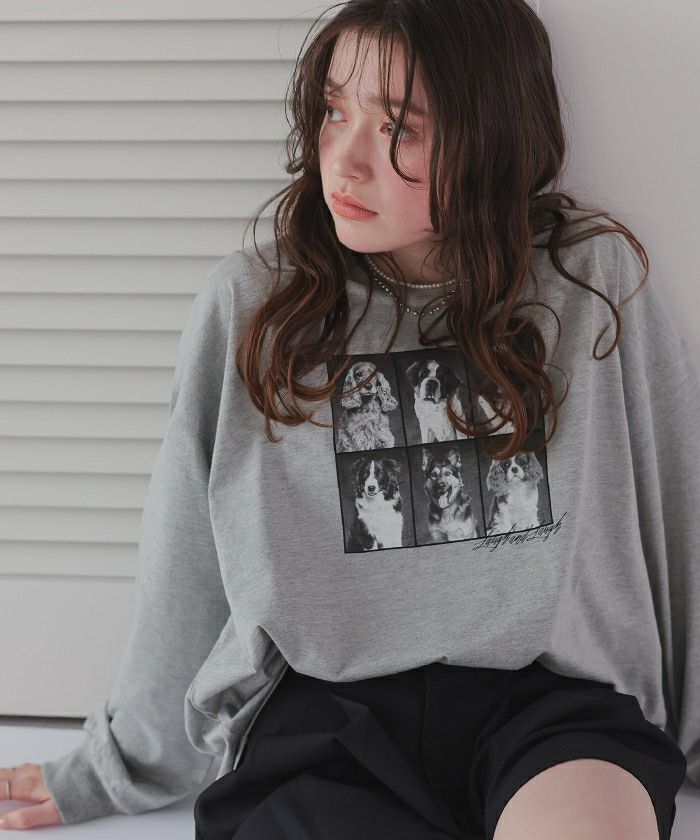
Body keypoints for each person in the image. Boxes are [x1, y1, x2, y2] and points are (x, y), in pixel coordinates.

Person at [0, 1, 696, 837]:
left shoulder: (586, 283)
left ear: (491, 135)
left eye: (399, 127)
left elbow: (678, 512)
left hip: (551, 710)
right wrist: (118, 766)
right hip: (326, 718)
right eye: (335, 111)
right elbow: (187, 554)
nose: (345, 160)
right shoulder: (257, 307)